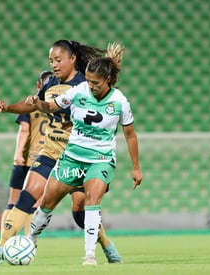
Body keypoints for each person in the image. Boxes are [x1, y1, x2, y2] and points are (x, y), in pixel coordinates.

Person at [0, 40, 122, 265]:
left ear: (72, 59)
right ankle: (0, 249)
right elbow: (35, 106)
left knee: (80, 211)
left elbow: (102, 114)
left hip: (79, 157)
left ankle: (106, 245)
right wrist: (9, 108)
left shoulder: (86, 84)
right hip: (49, 151)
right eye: (51, 61)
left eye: (58, 60)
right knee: (26, 196)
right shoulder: (50, 84)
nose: (54, 65)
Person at [25, 43, 143, 265]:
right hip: (72, 157)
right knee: (47, 202)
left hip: (100, 159)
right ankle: (29, 242)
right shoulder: (80, 91)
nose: (90, 85)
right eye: (88, 80)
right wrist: (38, 103)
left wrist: (135, 167)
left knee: (92, 201)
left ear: (107, 80)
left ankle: (90, 255)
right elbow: (51, 107)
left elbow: (130, 135)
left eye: (95, 83)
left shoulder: (119, 102)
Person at [0, 70, 53, 238]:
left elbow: (24, 130)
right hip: (44, 159)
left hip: (25, 159)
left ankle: (4, 242)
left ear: (38, 85)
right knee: (35, 204)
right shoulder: (55, 105)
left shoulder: (30, 104)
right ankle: (29, 242)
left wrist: (18, 155)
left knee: (13, 202)